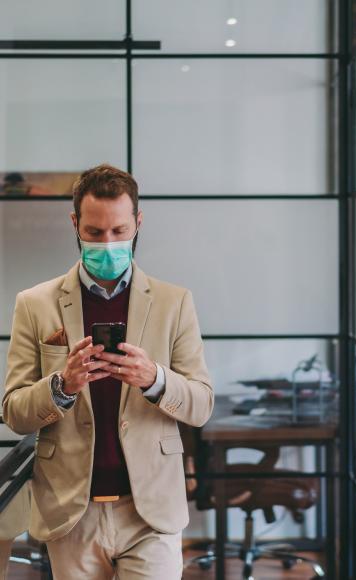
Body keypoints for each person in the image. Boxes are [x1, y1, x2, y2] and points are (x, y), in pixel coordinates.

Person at [2, 164, 214, 579]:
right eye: (95, 233)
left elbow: (202, 404)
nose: (108, 243)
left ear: (137, 223)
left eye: (119, 231)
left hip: (149, 511)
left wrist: (154, 379)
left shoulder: (175, 303)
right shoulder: (35, 304)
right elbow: (14, 412)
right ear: (75, 223)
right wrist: (63, 385)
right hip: (71, 512)